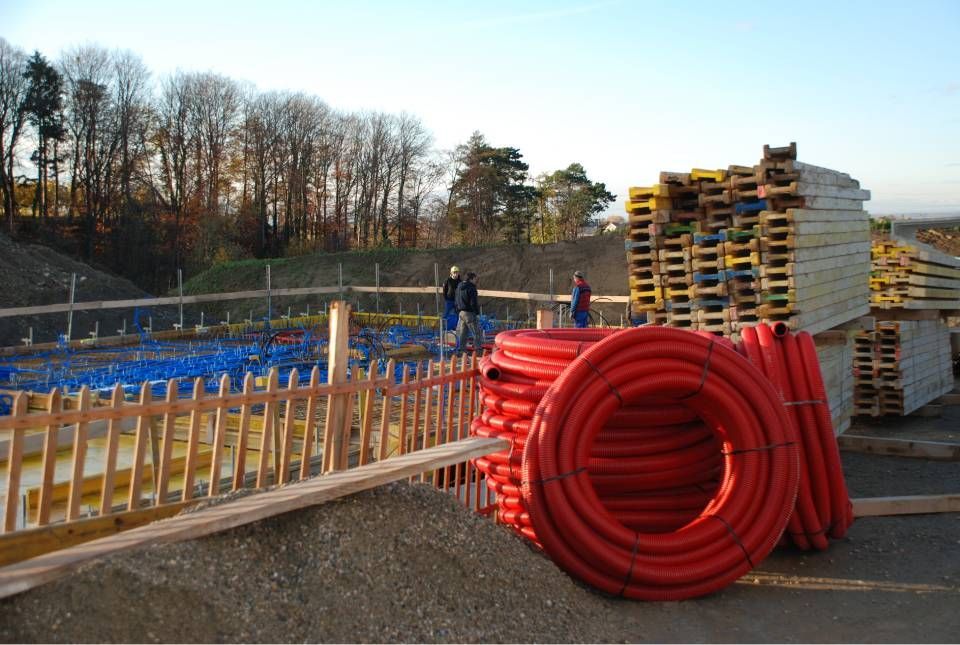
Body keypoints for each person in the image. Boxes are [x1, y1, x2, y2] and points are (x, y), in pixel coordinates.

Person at [455, 271, 482, 351]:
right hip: (469, 313)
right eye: (474, 279)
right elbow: (473, 302)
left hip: (461, 313)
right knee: (476, 332)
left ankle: (462, 349)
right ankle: (478, 349)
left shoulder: (459, 286)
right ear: (471, 279)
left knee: (463, 332)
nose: (475, 281)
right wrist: (476, 313)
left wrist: (458, 310)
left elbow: (456, 299)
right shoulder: (471, 288)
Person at [442, 265, 461, 330]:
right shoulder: (448, 280)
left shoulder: (460, 281)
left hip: (457, 301)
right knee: (446, 314)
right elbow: (444, 290)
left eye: (457, 272)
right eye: (454, 272)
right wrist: (446, 298)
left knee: (458, 315)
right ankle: (443, 327)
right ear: (451, 273)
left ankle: (457, 327)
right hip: (449, 301)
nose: (456, 274)